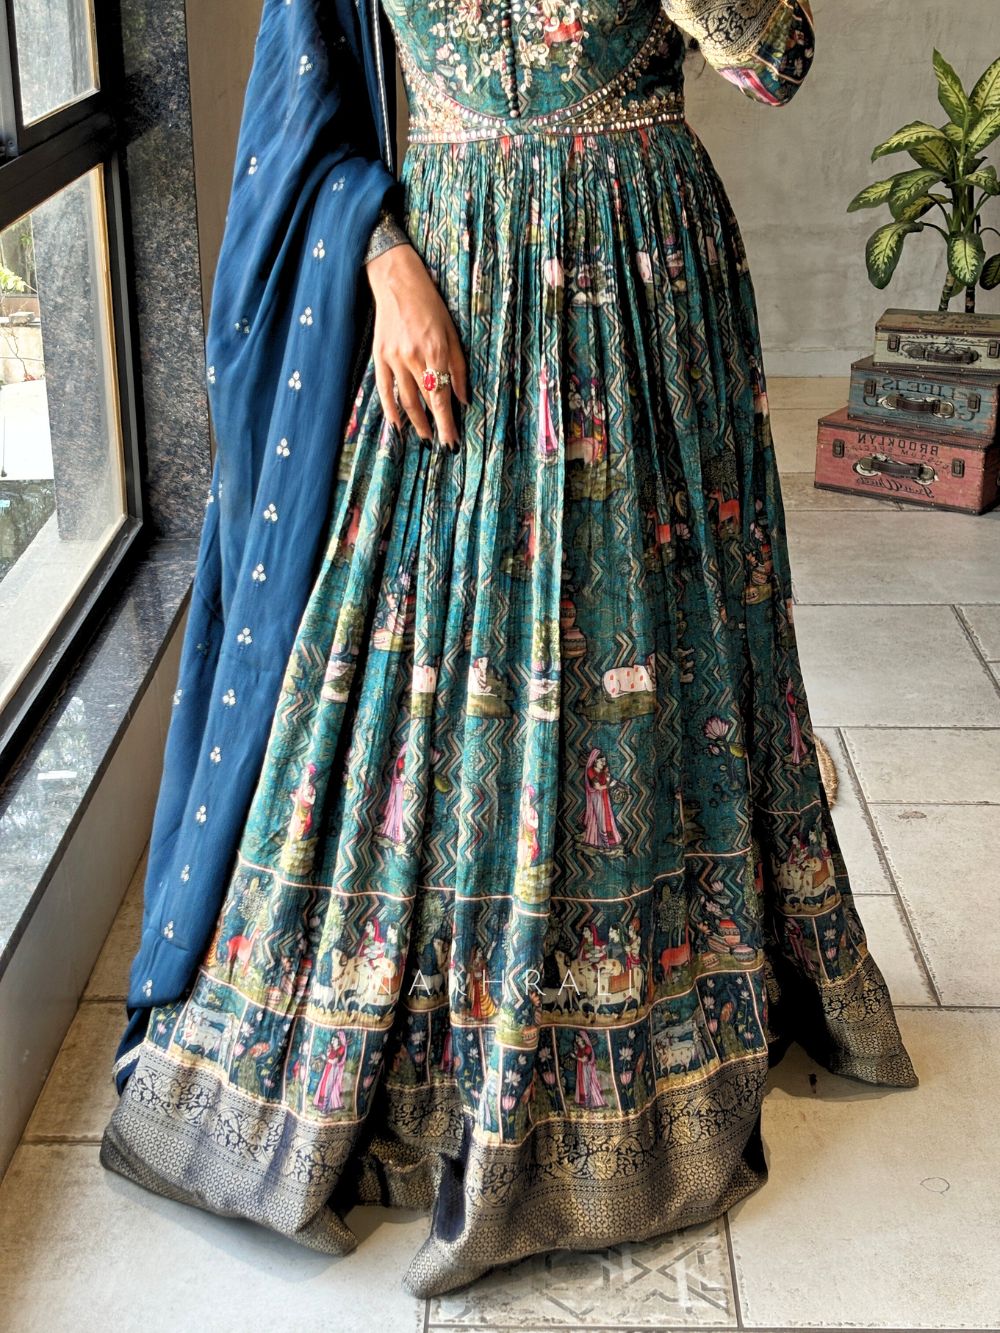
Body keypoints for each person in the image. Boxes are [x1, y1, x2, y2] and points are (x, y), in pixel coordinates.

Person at [101, 0, 918, 1301]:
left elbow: (777, 64)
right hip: (450, 281)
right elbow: (301, 118)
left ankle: (637, 1030)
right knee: (426, 678)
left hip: (640, 284)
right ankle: (420, 1046)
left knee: (631, 664)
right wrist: (381, 259)